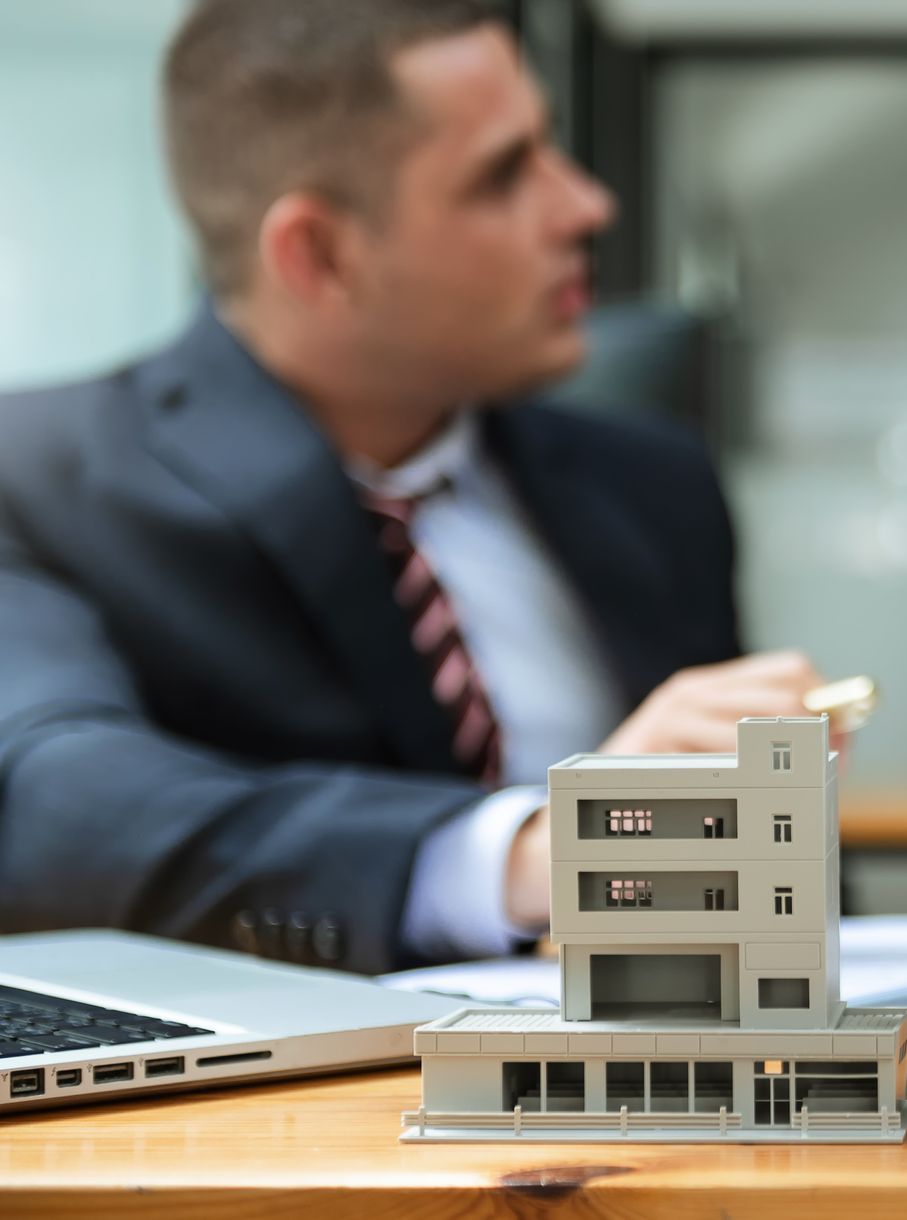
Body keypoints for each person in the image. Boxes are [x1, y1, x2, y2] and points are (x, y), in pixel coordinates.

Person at [0, 0, 828, 974]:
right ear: (320, 254)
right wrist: (537, 853)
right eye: (503, 175)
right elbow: (59, 806)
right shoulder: (40, 476)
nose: (584, 206)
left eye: (551, 145)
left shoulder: (655, 483)